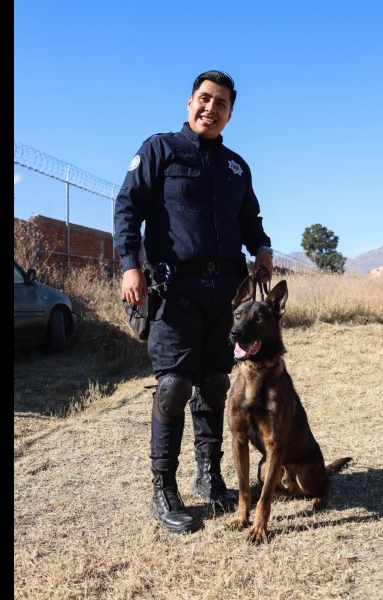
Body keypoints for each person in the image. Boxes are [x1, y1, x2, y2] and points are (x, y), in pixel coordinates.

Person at [114, 70, 274, 533]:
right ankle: (163, 489)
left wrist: (262, 247)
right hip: (174, 289)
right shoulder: (160, 150)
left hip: (226, 293)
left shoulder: (236, 167)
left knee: (215, 382)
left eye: (221, 103)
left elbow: (251, 219)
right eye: (204, 99)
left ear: (230, 114)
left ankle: (209, 476)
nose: (211, 108)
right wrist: (129, 264)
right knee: (174, 385)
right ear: (189, 103)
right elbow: (128, 207)